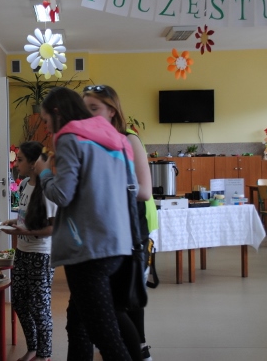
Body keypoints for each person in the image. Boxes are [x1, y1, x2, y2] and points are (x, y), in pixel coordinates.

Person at [34, 86, 137, 361]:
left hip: (87, 248)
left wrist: (44, 174)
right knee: (80, 324)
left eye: (46, 120)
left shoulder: (70, 137)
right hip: (117, 244)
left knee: (106, 338)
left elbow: (62, 195)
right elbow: (134, 188)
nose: (47, 128)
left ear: (57, 113)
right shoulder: (119, 140)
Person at [83, 85, 158, 361]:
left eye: (94, 108)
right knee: (109, 302)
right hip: (102, 232)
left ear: (112, 111)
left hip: (130, 231)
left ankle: (140, 350)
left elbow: (144, 191)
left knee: (124, 299)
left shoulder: (129, 139)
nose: (88, 115)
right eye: (85, 109)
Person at [0, 141, 56, 361]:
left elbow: (54, 228)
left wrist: (27, 231)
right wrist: (14, 222)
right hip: (22, 252)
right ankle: (33, 348)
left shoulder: (48, 190)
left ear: (33, 163)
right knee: (20, 303)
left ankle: (44, 354)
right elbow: (27, 217)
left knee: (39, 307)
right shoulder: (24, 184)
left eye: (20, 160)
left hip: (41, 255)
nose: (16, 164)